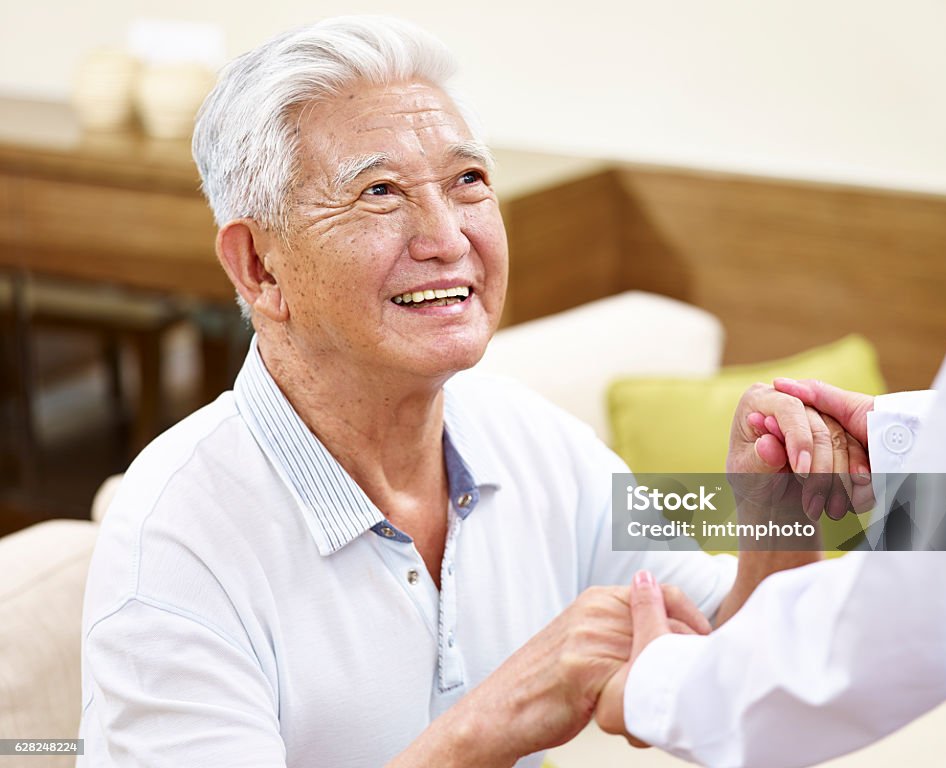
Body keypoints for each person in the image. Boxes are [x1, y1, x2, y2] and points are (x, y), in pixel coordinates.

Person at [77, 16, 902, 767]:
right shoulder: (173, 542)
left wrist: (779, 515)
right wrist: (495, 720)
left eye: (467, 180)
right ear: (260, 267)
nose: (447, 238)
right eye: (380, 192)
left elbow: (742, 684)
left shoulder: (540, 442)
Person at [594, 173, 946, 766]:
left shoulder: (552, 458)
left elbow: (937, 596)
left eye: (469, 179)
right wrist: (903, 444)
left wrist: (658, 685)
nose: (446, 239)